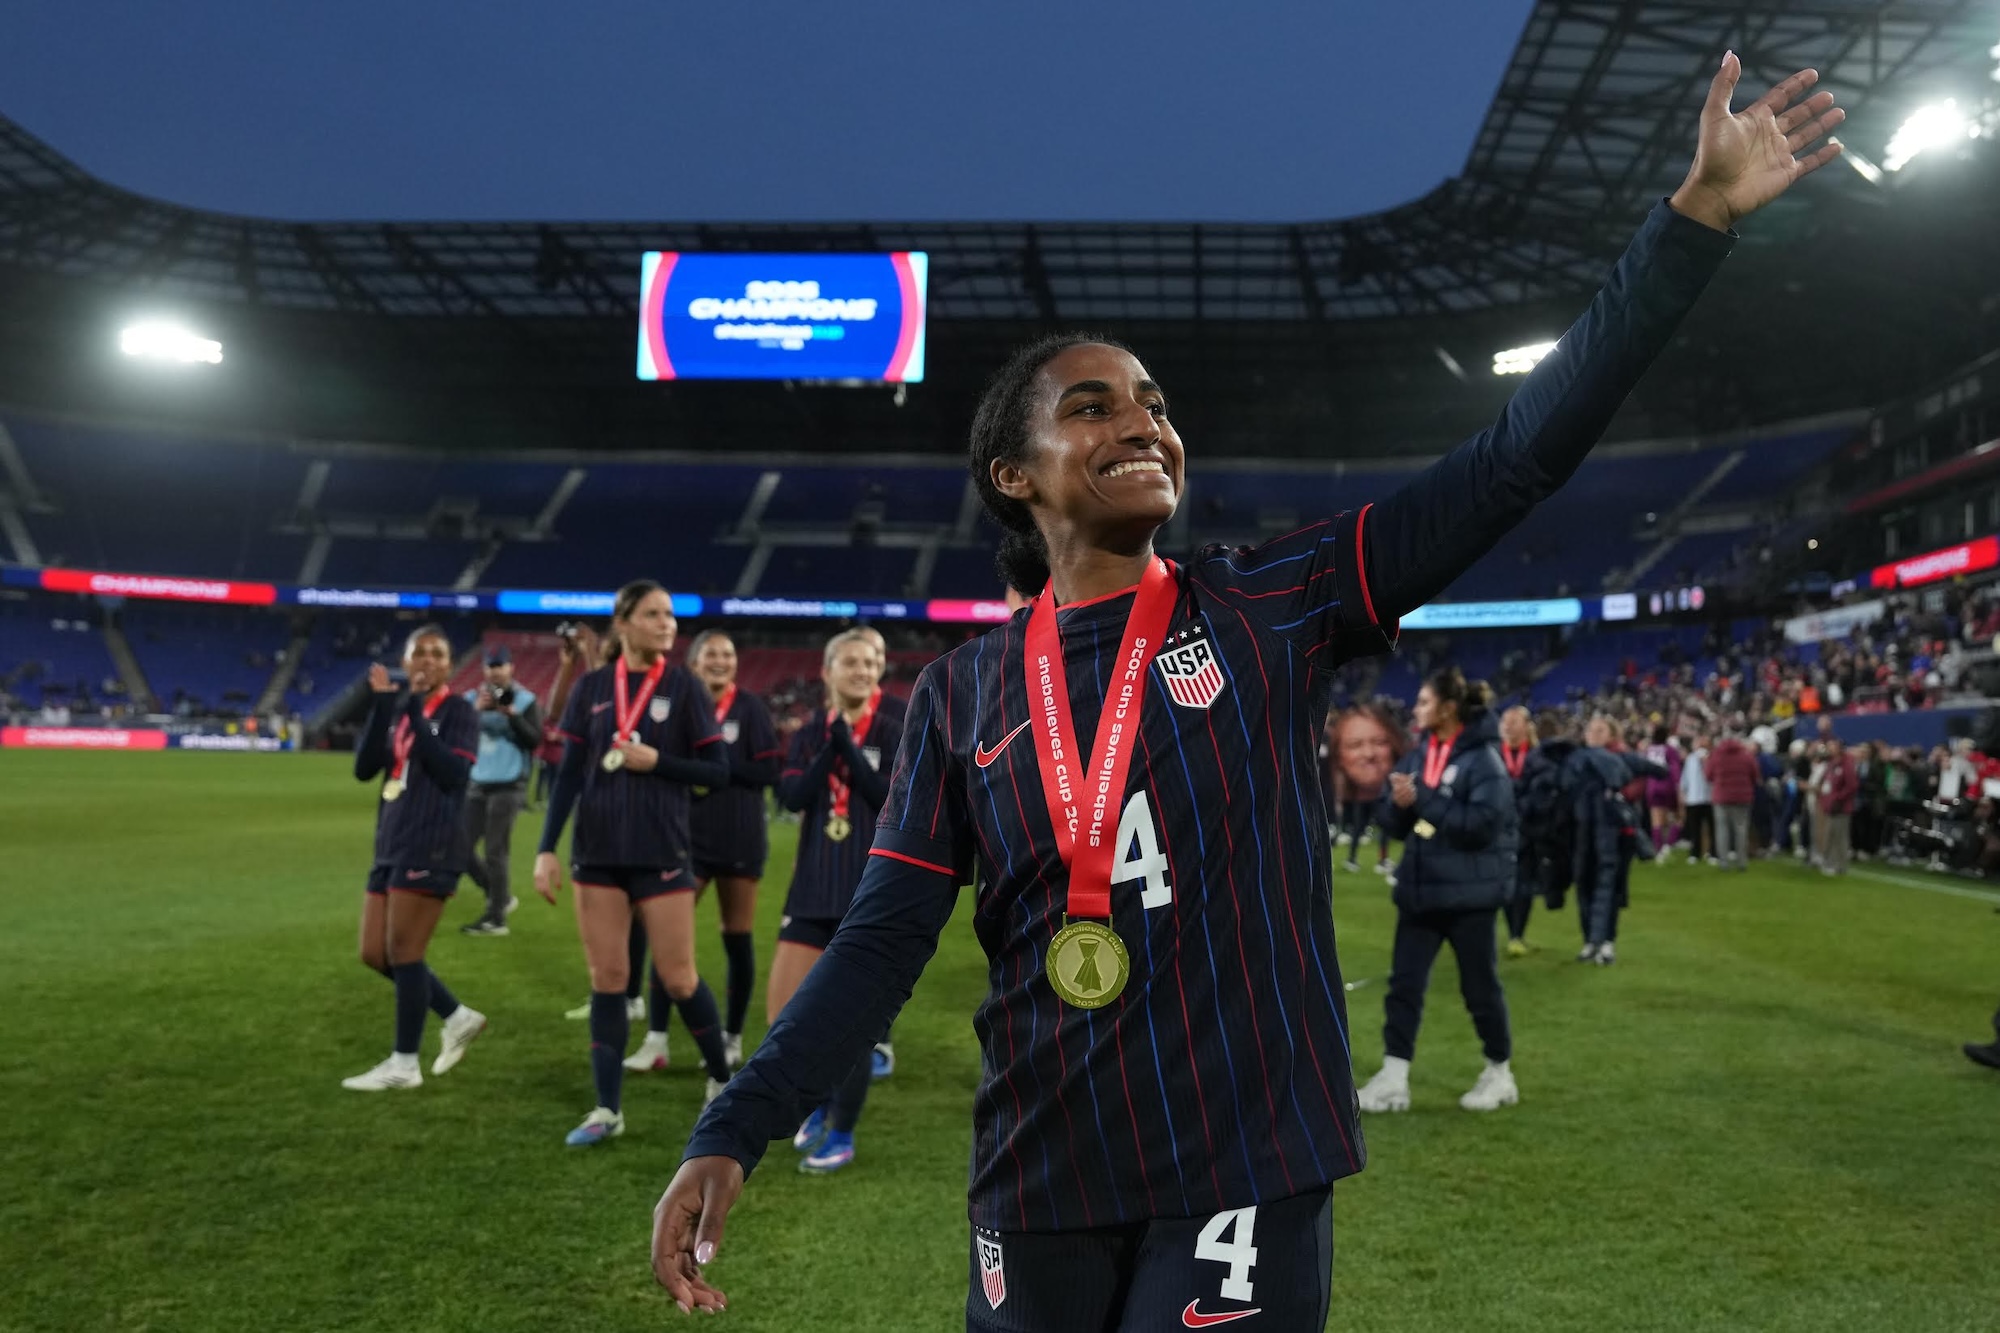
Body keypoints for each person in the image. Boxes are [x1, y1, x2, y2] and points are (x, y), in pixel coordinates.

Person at [651, 61, 1843, 1323]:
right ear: (1014, 472)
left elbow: (1511, 460)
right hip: (1035, 1168)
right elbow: (881, 941)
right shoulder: (959, 695)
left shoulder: (1273, 601)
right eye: (1093, 404)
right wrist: (733, 1128)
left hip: (1242, 1161)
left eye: (1155, 404)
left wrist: (1689, 223)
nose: (1143, 422)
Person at [534, 581, 736, 1146]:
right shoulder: (593, 687)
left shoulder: (685, 687)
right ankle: (606, 1109)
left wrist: (659, 761)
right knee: (608, 980)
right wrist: (547, 847)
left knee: (678, 977)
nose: (666, 623)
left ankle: (722, 1080)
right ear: (622, 623)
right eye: (653, 614)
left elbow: (718, 771)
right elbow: (569, 773)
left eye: (670, 614)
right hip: (596, 854)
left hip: (662, 852)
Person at [766, 629, 903, 1172]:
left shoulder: (894, 729)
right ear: (827, 671)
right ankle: (820, 1105)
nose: (861, 670)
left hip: (867, 893)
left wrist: (846, 745)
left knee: (852, 1027)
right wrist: (830, 744)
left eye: (870, 662)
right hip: (812, 888)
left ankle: (841, 1133)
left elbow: (886, 797)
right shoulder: (805, 735)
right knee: (785, 1017)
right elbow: (793, 796)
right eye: (850, 662)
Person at [1355, 670, 1519, 1114]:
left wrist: (1423, 799)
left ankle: (1499, 1071)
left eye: (1424, 702)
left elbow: (1481, 827)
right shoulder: (1420, 752)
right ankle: (1393, 1077)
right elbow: (1395, 822)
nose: (1416, 710)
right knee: (1403, 986)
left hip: (1469, 897)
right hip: (1421, 891)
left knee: (1479, 988)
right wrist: (1394, 803)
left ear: (1447, 708)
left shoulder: (1485, 759)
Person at [625, 630, 783, 1076]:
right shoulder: (679, 708)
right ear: (693, 663)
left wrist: (714, 770)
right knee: (666, 940)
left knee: (737, 938)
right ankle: (656, 1039)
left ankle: (731, 1038)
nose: (720, 660)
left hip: (738, 836)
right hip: (683, 838)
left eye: (728, 654)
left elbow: (770, 770)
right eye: (711, 654)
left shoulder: (750, 708)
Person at [342, 625, 488, 1091]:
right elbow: (365, 769)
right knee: (374, 953)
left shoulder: (460, 711)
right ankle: (456, 1014)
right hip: (392, 841)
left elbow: (452, 774)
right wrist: (385, 706)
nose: (426, 660)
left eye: (437, 654)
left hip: (434, 842)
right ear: (405, 663)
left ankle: (404, 1064)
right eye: (418, 653)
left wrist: (416, 714)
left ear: (449, 665)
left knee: (405, 953)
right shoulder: (398, 712)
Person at [1563, 715, 1668, 964]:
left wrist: (1629, 790)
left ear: (1612, 735)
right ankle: (1590, 940)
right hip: (1583, 834)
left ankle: (1605, 941)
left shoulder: (1622, 759)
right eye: (1591, 729)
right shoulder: (1578, 760)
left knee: (1609, 886)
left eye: (1600, 730)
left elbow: (1660, 771)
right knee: (1584, 885)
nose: (1594, 734)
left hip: (1616, 835)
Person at [460, 644, 544, 936]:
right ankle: (500, 897)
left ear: (511, 668)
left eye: (501, 665)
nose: (495, 671)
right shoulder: (471, 699)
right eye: (491, 666)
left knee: (495, 850)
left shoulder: (525, 700)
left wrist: (511, 715)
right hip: (478, 781)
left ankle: (496, 919)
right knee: (459, 847)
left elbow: (535, 740)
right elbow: (450, 734)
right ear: (484, 669)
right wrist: (474, 712)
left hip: (509, 783)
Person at [1332, 702, 1408, 875]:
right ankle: (1368, 860)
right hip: (1370, 794)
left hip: (1370, 793)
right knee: (1371, 829)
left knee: (1368, 829)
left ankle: (1357, 859)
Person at [1496, 704, 1540, 956]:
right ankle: (1510, 930)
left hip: (1529, 829)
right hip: (1498, 830)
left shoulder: (1536, 754)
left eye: (1514, 721)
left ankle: (1517, 933)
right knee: (1502, 883)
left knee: (1524, 883)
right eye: (1505, 721)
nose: (1508, 726)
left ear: (1526, 726)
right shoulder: (1492, 753)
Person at [1706, 723, 1760, 871]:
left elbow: (1708, 775)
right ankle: (1741, 861)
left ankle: (1723, 862)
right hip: (1743, 797)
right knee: (1741, 830)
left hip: (1721, 797)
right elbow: (1755, 775)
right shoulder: (1746, 756)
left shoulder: (1716, 755)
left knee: (1722, 829)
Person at [1817, 737, 1858, 876]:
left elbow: (1852, 786)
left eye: (1832, 746)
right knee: (1830, 836)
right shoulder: (1831, 763)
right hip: (1831, 805)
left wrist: (1838, 798)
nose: (1829, 749)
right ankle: (1829, 862)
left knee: (1839, 837)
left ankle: (1839, 865)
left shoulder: (1846, 764)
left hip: (1841, 807)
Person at [1680, 732, 1716, 865]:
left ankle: (1713, 852)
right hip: (1693, 798)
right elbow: (1685, 779)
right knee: (1695, 828)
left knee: (1712, 827)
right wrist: (1683, 794)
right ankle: (1695, 853)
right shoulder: (1690, 758)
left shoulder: (1712, 758)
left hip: (1709, 797)